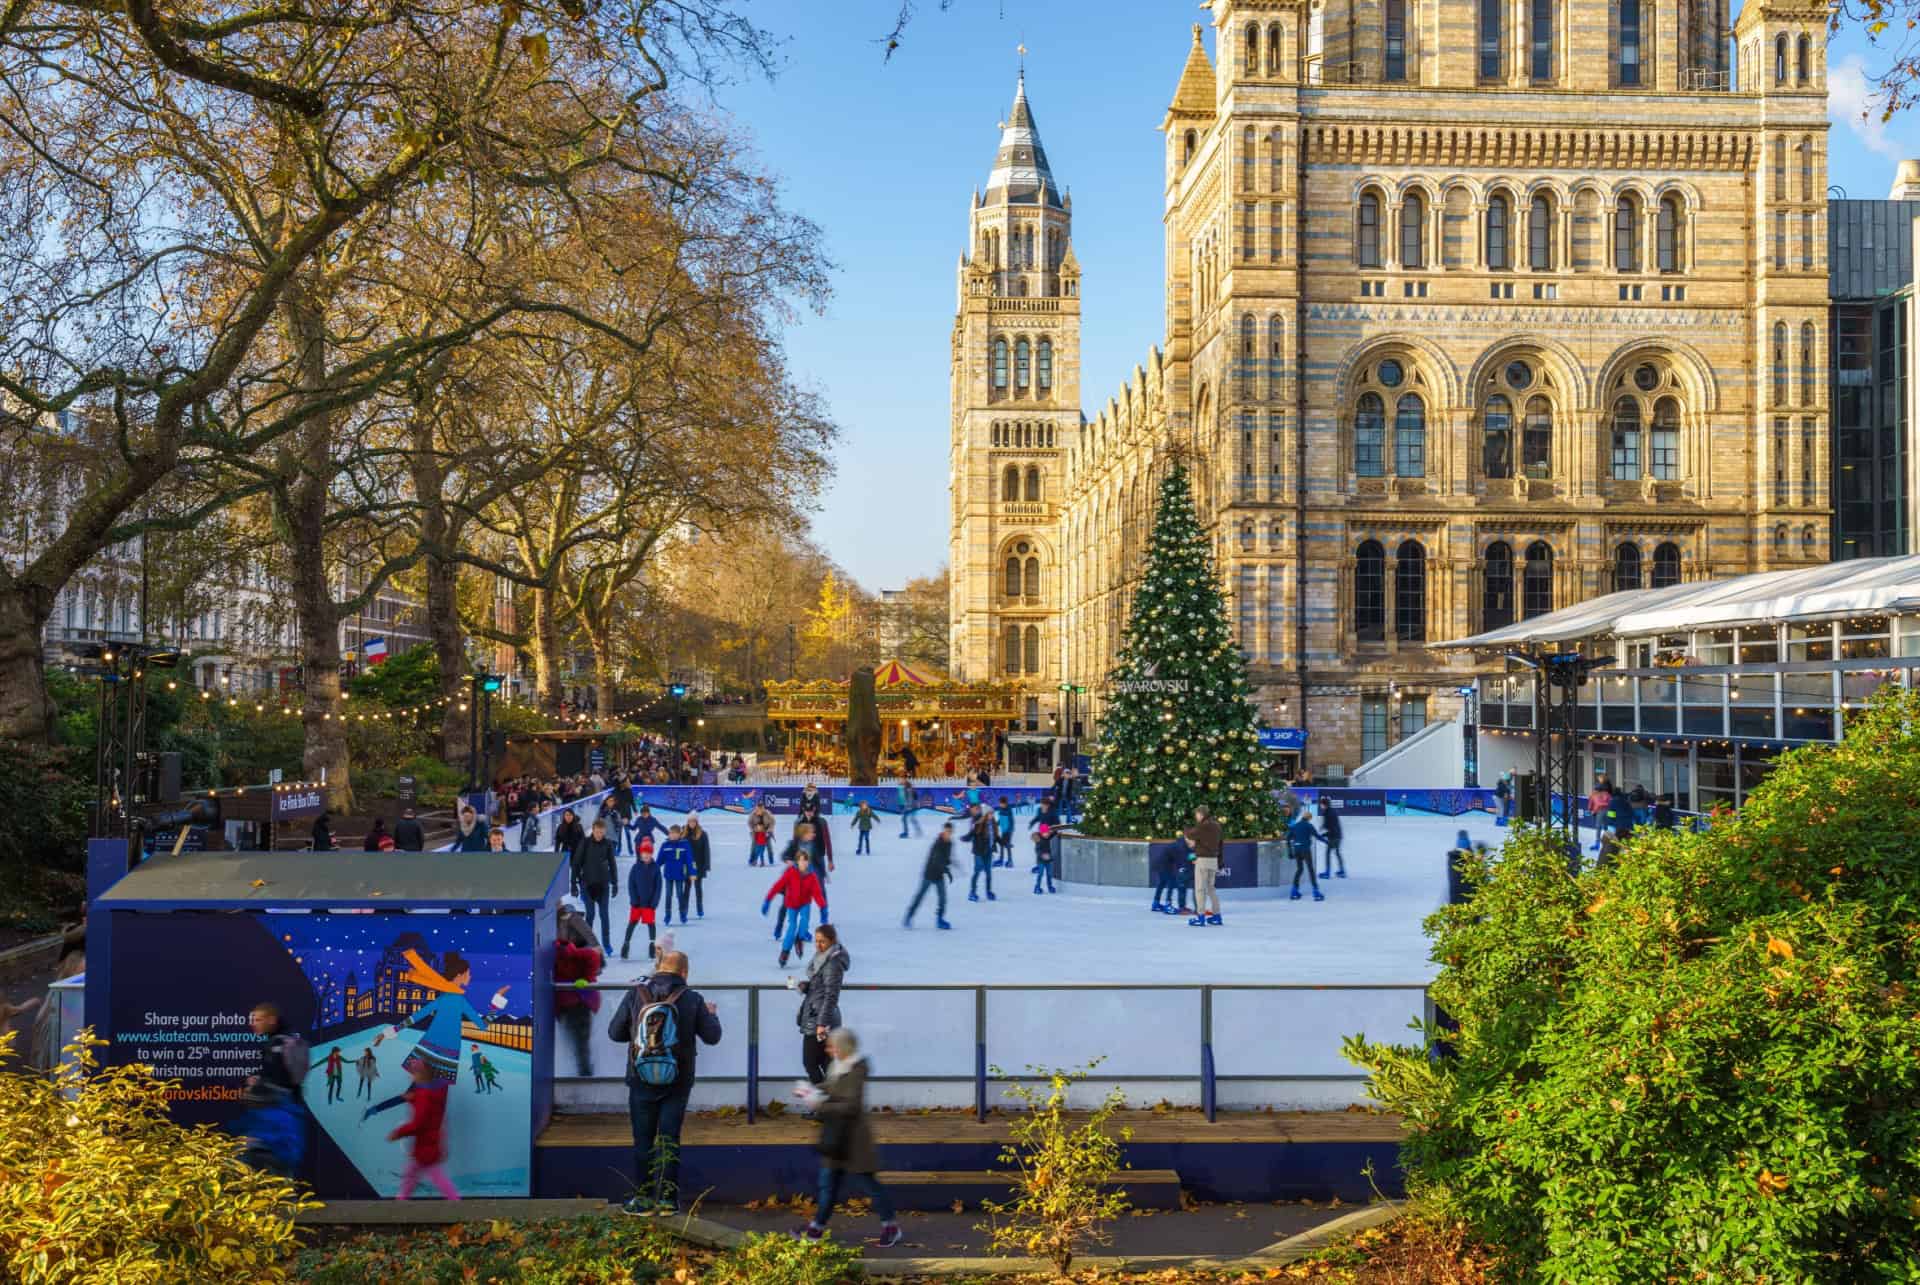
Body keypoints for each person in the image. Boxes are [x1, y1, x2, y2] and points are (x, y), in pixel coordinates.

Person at [607, 950, 722, 1216]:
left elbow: (614, 1033)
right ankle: (669, 1200)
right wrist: (711, 1014)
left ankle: (644, 1199)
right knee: (669, 1139)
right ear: (684, 973)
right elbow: (712, 1037)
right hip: (677, 1081)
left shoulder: (636, 993)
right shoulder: (693, 999)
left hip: (640, 1078)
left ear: (659, 968)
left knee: (643, 1141)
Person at [793, 1028, 902, 1247]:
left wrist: (820, 1103)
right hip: (836, 1137)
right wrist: (810, 1089)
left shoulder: (856, 1069)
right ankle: (816, 1228)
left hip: (854, 1141)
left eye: (832, 1045)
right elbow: (832, 1087)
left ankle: (891, 1227)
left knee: (869, 1185)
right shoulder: (839, 1065)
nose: (828, 1049)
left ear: (843, 1048)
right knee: (828, 1186)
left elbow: (851, 1105)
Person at [385, 1053, 459, 1201]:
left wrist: (398, 1133)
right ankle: (401, 1199)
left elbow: (419, 1123)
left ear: (422, 1076)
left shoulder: (424, 1094)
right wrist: (414, 1099)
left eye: (413, 1074)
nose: (411, 1078)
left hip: (426, 1143)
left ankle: (455, 1201)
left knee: (432, 1175)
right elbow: (430, 1110)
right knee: (414, 1174)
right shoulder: (434, 1091)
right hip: (431, 1140)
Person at [788, 923, 849, 1085]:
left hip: (820, 1020)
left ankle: (826, 1101)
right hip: (816, 1016)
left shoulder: (832, 963)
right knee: (824, 1063)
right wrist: (804, 986)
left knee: (811, 1062)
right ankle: (830, 1102)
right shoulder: (822, 958)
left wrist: (821, 1024)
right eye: (816, 941)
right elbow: (820, 987)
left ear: (832, 940)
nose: (818, 945)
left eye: (822, 941)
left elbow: (831, 995)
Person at [555, 907, 604, 1075]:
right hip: (571, 1002)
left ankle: (583, 1075)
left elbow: (593, 950)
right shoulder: (562, 952)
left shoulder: (574, 953)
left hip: (577, 1002)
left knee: (579, 1043)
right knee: (577, 1043)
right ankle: (581, 1073)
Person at [763, 851, 827, 969]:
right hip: (791, 904)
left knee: (804, 921)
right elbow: (778, 885)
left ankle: (799, 939)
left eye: (805, 860)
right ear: (797, 861)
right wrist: (768, 900)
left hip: (804, 904)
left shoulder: (812, 876)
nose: (803, 863)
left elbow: (817, 894)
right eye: (801, 860)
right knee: (792, 927)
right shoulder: (790, 872)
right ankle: (785, 952)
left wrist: (823, 908)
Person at [571, 818, 618, 947]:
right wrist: (573, 883)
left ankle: (606, 943)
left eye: (602, 832)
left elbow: (612, 864)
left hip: (603, 885)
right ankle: (589, 943)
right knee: (590, 914)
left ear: (605, 831)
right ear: (593, 830)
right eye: (597, 832)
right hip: (587, 884)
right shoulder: (585, 843)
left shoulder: (608, 844)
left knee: (604, 915)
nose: (599, 835)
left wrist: (615, 883)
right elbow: (576, 864)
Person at [904, 823, 955, 930]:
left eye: (950, 832)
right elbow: (937, 860)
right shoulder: (938, 843)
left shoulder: (950, 843)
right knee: (920, 896)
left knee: (942, 899)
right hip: (929, 873)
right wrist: (947, 870)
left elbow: (946, 858)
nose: (948, 834)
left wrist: (950, 864)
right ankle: (909, 916)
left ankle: (940, 920)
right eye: (947, 832)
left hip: (939, 875)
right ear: (943, 831)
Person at [622, 842, 664, 961]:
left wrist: (654, 903)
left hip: (649, 904)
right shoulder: (635, 868)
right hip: (637, 903)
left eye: (648, 853)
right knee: (632, 923)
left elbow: (658, 887)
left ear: (651, 854)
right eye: (644, 853)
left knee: (651, 924)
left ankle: (652, 946)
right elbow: (631, 885)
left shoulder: (655, 868)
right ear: (640, 854)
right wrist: (633, 899)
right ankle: (626, 944)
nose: (646, 855)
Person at [1185, 805, 1224, 926]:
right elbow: (1220, 844)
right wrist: (1220, 861)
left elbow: (1191, 835)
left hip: (1202, 860)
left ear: (1201, 814)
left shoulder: (1203, 825)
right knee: (1211, 889)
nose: (1196, 817)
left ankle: (1200, 917)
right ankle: (1217, 916)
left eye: (1196, 815)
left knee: (1200, 889)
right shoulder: (1217, 826)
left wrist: (1185, 830)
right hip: (1214, 860)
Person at [1287, 804, 1326, 903]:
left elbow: (1288, 838)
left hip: (1296, 850)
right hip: (1305, 850)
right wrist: (1326, 842)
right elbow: (1317, 836)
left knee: (1299, 870)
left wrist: (1290, 852)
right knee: (1310, 870)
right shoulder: (1309, 826)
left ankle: (1294, 891)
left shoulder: (1295, 826)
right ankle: (1316, 892)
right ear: (1309, 819)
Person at [657, 825, 695, 927]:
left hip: (679, 874)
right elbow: (659, 860)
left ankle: (682, 914)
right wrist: (652, 870)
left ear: (679, 834)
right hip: (668, 874)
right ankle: (667, 915)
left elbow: (689, 860)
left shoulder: (684, 845)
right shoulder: (665, 845)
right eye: (671, 833)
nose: (672, 835)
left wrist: (692, 873)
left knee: (679, 894)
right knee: (668, 895)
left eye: (675, 833)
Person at [1151, 832, 1192, 916]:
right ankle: (1168, 905)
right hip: (1163, 865)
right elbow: (1182, 860)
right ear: (1186, 838)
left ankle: (1155, 903)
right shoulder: (1181, 846)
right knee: (1171, 882)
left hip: (1160, 863)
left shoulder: (1182, 843)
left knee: (1162, 883)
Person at [965, 804, 996, 902]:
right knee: (977, 871)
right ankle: (972, 892)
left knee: (988, 873)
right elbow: (972, 833)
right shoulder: (978, 824)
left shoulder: (992, 824)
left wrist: (1003, 843)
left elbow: (994, 837)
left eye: (992, 813)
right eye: (990, 813)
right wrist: (967, 837)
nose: (992, 815)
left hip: (988, 851)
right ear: (986, 814)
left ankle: (988, 891)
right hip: (979, 852)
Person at [685, 814, 712, 918]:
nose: (692, 823)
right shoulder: (684, 833)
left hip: (699, 864)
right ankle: (684, 909)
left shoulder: (703, 834)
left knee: (698, 888)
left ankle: (699, 908)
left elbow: (706, 850)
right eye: (690, 821)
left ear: (696, 822)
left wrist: (707, 865)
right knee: (686, 888)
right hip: (687, 865)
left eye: (694, 821)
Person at [1316, 797, 1346, 879]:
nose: (1320, 806)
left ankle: (1327, 872)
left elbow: (1329, 825)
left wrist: (1324, 834)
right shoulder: (1332, 811)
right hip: (1338, 835)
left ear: (1324, 804)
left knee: (1328, 853)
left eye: (1321, 804)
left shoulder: (1327, 812)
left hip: (1333, 836)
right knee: (1337, 853)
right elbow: (1330, 825)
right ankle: (1342, 871)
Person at [1031, 819, 1057, 894]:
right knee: (1040, 874)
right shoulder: (1038, 840)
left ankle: (1050, 886)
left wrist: (1054, 831)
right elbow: (1037, 850)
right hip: (1041, 861)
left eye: (1047, 833)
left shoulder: (1048, 837)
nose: (1047, 834)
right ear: (1042, 833)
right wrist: (1042, 855)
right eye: (1045, 833)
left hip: (1048, 860)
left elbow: (1053, 834)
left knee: (1049, 874)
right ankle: (1037, 887)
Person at [749, 802, 776, 866]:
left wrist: (769, 830)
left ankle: (771, 860)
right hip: (756, 833)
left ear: (763, 808)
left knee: (769, 847)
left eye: (761, 809)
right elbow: (749, 823)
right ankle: (752, 860)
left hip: (766, 833)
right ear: (756, 808)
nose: (760, 810)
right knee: (754, 847)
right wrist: (755, 829)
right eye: (758, 809)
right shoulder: (753, 814)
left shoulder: (768, 813)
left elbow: (773, 822)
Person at [994, 798, 1015, 867]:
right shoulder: (1000, 809)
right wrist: (997, 823)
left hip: (1008, 831)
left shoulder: (1009, 810)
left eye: (1001, 803)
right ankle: (1001, 859)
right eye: (1000, 803)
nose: (1000, 805)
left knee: (1007, 845)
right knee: (1002, 845)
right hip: (1003, 830)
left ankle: (1010, 861)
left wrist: (1009, 830)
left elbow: (1011, 821)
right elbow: (1001, 818)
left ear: (1005, 803)